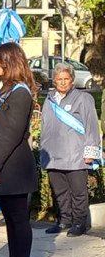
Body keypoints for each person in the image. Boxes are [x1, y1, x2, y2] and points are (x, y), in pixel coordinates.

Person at [0, 42, 39, 257]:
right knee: (11, 220)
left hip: (14, 167)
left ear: (11, 62)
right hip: (6, 166)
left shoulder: (20, 93)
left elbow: (10, 134)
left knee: (18, 220)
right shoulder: (5, 90)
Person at [40, 61, 100, 237]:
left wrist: (90, 152)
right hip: (53, 155)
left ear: (72, 80)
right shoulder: (49, 100)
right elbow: (45, 126)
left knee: (78, 192)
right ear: (54, 81)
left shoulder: (84, 99)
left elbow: (92, 127)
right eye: (59, 79)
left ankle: (79, 222)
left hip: (75, 155)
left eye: (66, 79)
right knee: (60, 192)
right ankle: (64, 220)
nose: (63, 82)